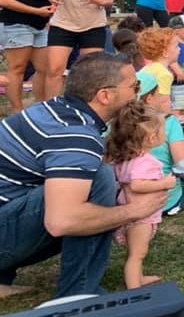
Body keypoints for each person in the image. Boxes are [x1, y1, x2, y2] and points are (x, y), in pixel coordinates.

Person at [0, 53, 166, 299]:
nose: (137, 94)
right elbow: (61, 222)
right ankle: (78, 295)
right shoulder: (76, 135)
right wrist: (133, 211)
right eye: (134, 86)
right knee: (98, 180)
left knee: (78, 183)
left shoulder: (52, 110)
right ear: (105, 95)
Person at [106, 101, 174, 289]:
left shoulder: (126, 157)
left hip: (129, 211)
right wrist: (165, 183)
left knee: (135, 252)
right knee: (137, 254)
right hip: (140, 216)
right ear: (151, 138)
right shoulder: (145, 161)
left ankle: (138, 277)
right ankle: (134, 289)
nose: (165, 134)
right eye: (163, 131)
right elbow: (137, 185)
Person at [39, 0, 114, 99]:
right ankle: (52, 104)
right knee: (54, 69)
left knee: (91, 70)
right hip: (63, 24)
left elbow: (110, 0)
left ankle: (86, 104)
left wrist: (102, 1)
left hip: (93, 26)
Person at [0, 0, 56, 112]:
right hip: (17, 25)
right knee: (18, 68)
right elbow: (4, 0)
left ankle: (41, 107)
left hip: (40, 26)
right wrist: (36, 11)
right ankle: (17, 111)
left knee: (45, 69)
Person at [136, 70, 184, 216]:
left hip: (127, 200)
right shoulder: (169, 122)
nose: (162, 96)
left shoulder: (115, 124)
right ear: (149, 98)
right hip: (166, 200)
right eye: (159, 93)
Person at [138, 27, 177, 108]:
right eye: (176, 46)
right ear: (165, 53)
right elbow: (163, 103)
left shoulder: (147, 68)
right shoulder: (164, 74)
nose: (180, 49)